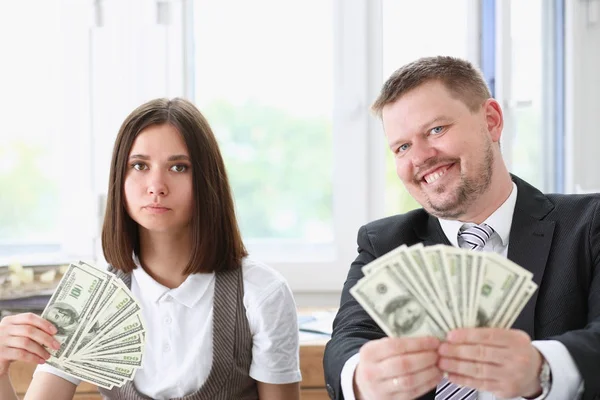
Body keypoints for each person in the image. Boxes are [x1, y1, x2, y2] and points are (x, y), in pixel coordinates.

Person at [323, 56, 600, 400]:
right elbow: (346, 343)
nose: (420, 157)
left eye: (436, 130)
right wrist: (361, 377)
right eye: (403, 147)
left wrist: (541, 367)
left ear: (492, 120)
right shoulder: (384, 244)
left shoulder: (590, 225)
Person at [0, 97, 302, 400]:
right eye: (140, 165)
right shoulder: (90, 299)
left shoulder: (262, 293)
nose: (156, 185)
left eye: (179, 167)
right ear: (120, 177)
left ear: (207, 180)